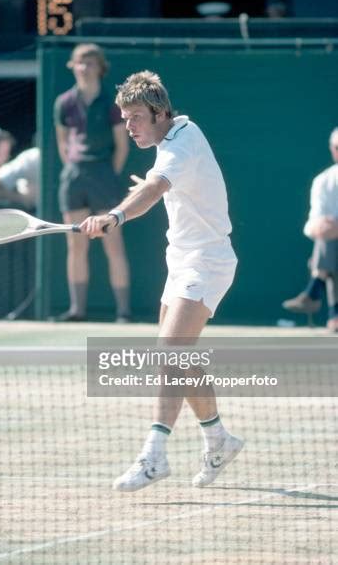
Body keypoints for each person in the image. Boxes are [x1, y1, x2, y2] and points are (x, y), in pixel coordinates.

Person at [80, 71, 244, 491]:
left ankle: (154, 455)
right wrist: (151, 191)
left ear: (159, 112)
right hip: (181, 260)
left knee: (169, 351)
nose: (129, 126)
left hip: (206, 261)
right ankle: (218, 439)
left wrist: (115, 215)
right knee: (181, 359)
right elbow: (162, 185)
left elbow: (155, 189)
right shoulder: (174, 135)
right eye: (124, 118)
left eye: (135, 117)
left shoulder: (181, 144)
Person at [54, 43, 131, 323]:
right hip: (73, 178)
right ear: (73, 66)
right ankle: (77, 310)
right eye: (80, 63)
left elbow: (122, 147)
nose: (84, 68)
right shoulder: (63, 103)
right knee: (76, 246)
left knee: (114, 245)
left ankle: (123, 311)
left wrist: (107, 175)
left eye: (90, 63)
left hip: (104, 178)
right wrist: (75, 170)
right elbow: (63, 144)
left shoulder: (113, 103)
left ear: (100, 67)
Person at [282, 127, 338, 333]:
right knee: (327, 240)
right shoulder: (324, 181)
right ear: (333, 150)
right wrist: (323, 227)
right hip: (332, 247)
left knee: (329, 244)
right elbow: (312, 224)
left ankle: (314, 292)